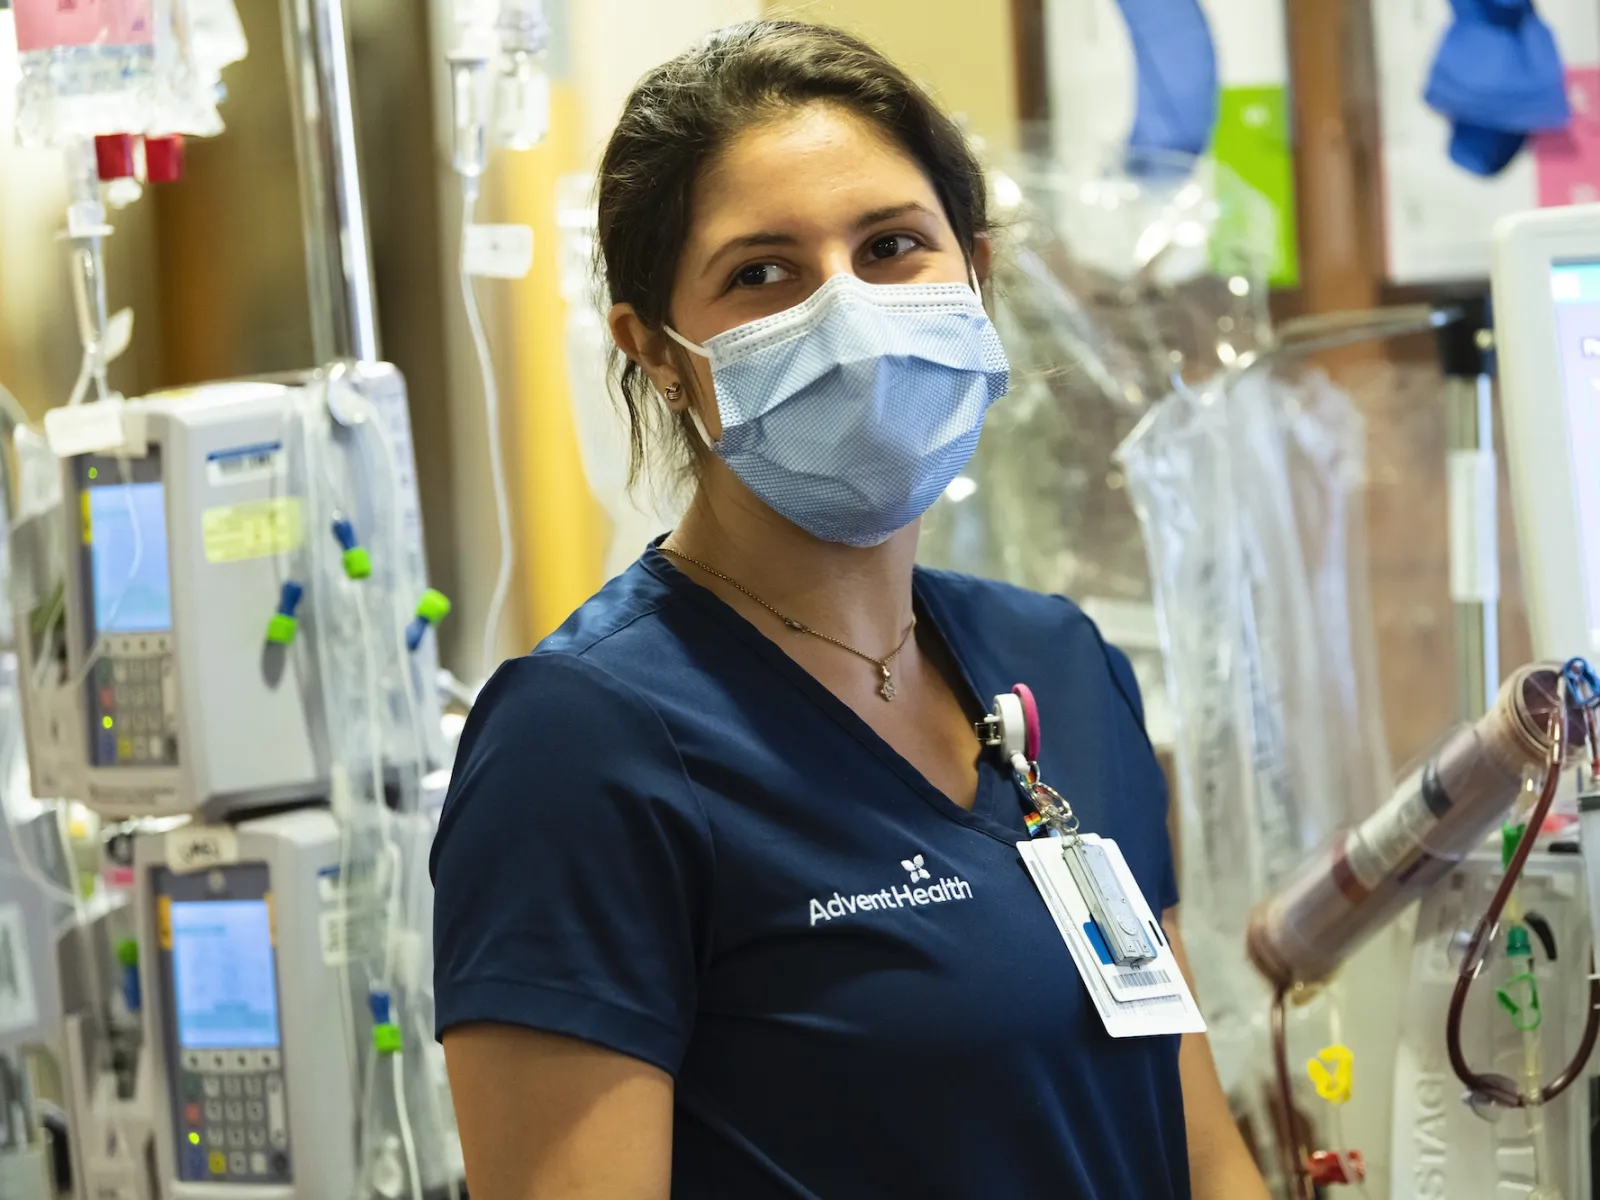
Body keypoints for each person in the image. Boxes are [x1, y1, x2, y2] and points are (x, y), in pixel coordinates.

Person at [431, 19, 1270, 1200]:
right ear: (657, 353)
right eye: (760, 273)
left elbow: (1194, 1143)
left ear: (972, 274)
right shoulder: (584, 743)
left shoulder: (1063, 668)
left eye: (890, 247)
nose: (849, 316)